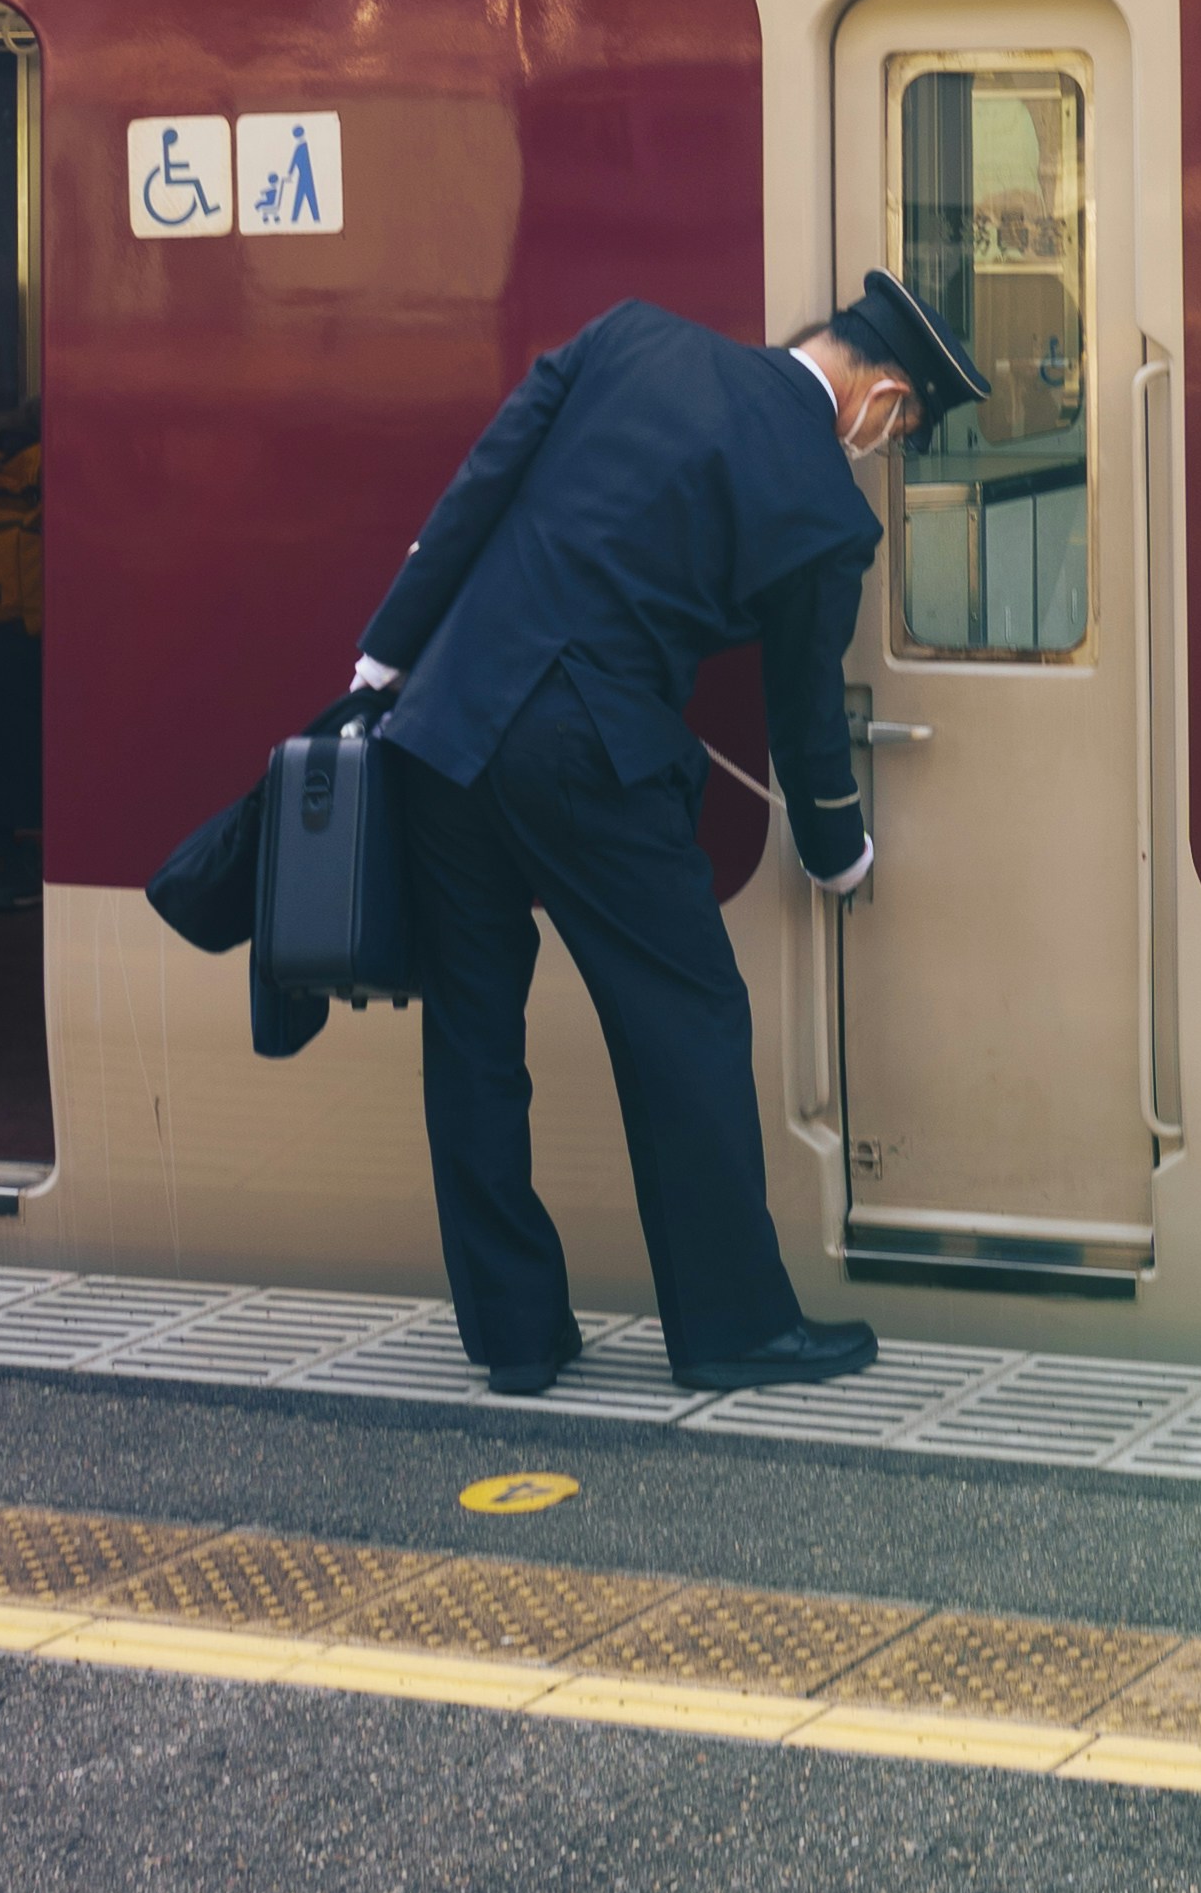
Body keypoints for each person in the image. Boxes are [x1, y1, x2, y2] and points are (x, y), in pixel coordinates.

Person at [351, 270, 985, 1401]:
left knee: (472, 1033)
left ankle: (514, 1335)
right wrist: (839, 851)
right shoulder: (828, 513)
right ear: (883, 397)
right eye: (897, 434)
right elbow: (800, 714)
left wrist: (385, 657)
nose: (882, 453)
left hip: (443, 720)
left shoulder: (625, 339)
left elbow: (481, 485)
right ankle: (731, 1325)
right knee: (685, 1022)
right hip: (588, 758)